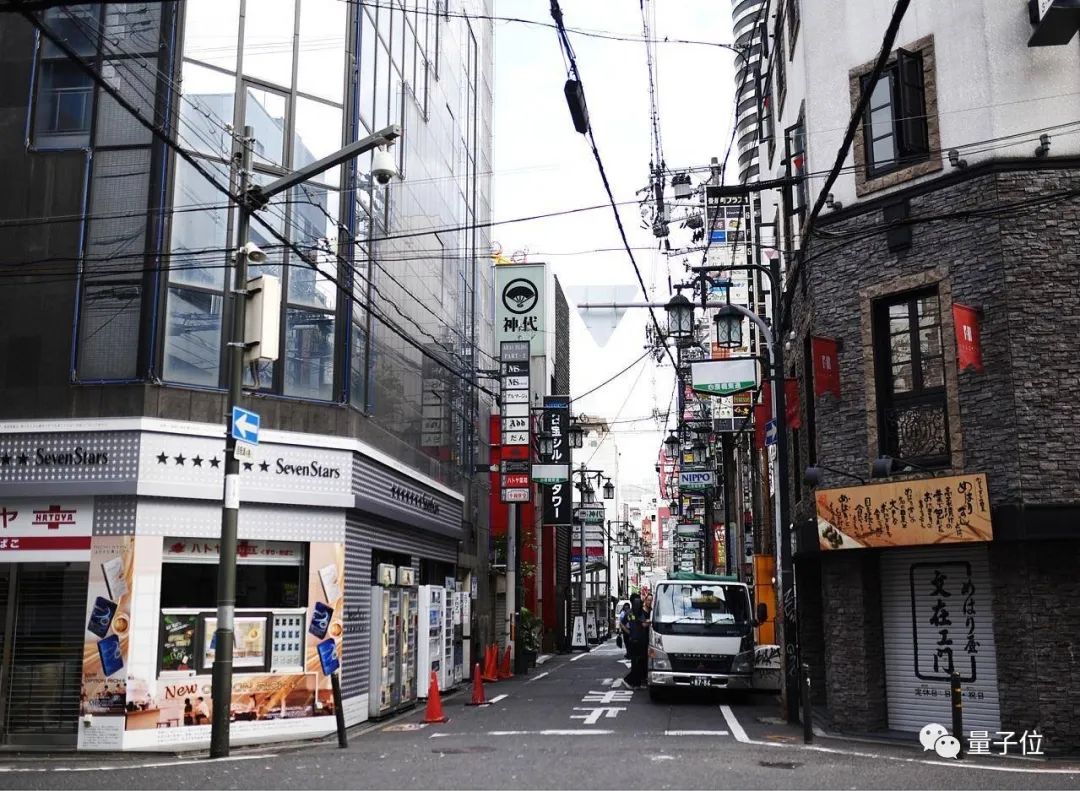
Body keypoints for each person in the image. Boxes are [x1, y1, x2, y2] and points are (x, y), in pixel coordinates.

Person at [620, 594, 650, 689]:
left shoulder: (630, 612)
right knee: (639, 663)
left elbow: (622, 624)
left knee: (637, 663)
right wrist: (651, 621)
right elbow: (643, 624)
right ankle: (629, 680)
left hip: (634, 640)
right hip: (639, 641)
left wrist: (629, 632)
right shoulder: (638, 613)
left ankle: (636, 683)